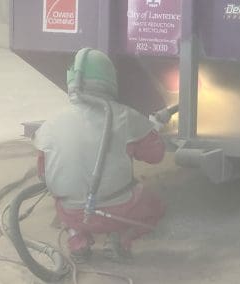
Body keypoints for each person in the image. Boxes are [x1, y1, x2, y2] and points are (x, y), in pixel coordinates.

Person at [33, 48, 166, 263]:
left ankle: (77, 240)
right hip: (118, 210)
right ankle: (121, 238)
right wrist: (152, 129)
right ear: (109, 78)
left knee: (63, 199)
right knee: (155, 205)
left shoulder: (49, 125)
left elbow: (43, 174)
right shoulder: (125, 116)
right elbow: (156, 155)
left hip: (70, 213)